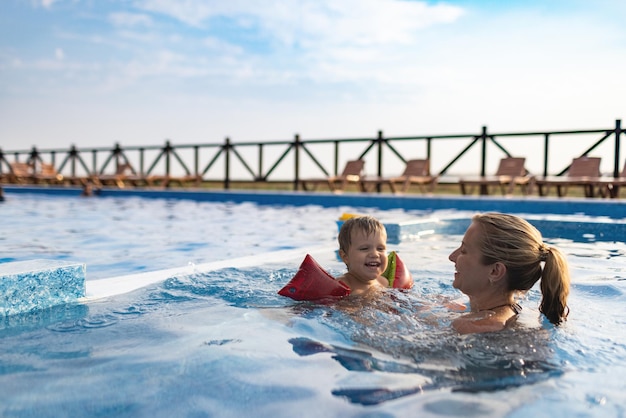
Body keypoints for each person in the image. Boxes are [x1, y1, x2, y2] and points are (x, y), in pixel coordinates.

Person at [448, 212, 570, 334]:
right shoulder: (518, 313)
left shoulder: (470, 327)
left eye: (464, 251)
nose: (452, 256)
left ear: (495, 271)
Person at [336, 215, 390, 296]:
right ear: (345, 257)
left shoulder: (383, 282)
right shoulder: (343, 285)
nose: (375, 254)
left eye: (380, 248)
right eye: (364, 248)